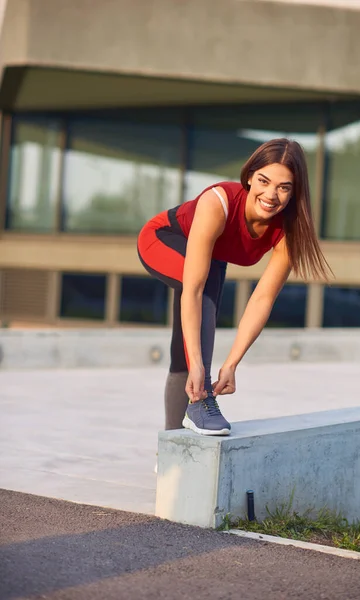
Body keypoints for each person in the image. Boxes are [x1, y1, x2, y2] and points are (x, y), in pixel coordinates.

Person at [137, 138, 331, 436]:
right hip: (162, 239)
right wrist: (201, 369)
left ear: (294, 192)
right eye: (264, 181)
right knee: (203, 303)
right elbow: (194, 290)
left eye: (284, 187)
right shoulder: (218, 202)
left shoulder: (289, 233)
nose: (271, 195)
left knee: (184, 352)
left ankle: (172, 449)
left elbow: (262, 300)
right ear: (250, 176)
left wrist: (231, 364)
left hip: (208, 259)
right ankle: (201, 399)